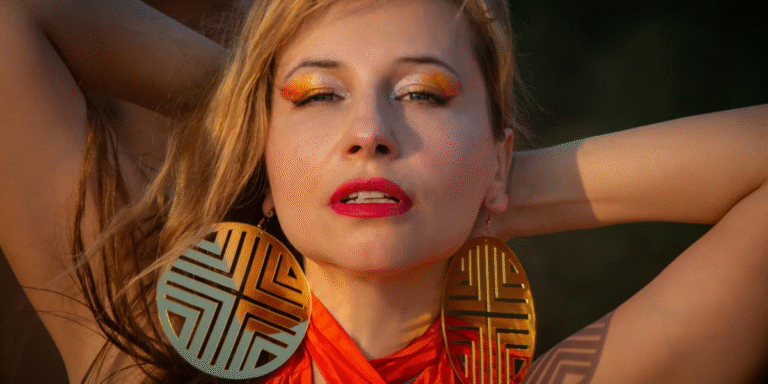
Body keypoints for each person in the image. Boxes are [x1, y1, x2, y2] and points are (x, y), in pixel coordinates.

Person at [0, 0, 766, 383]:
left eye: (425, 94)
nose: (369, 130)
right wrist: (243, 128)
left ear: (496, 160)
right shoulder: (141, 364)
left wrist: (490, 192)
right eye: (317, 95)